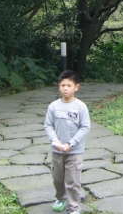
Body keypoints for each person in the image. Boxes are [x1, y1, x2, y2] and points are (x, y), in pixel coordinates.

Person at [44, 70, 91, 213]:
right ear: (58, 86)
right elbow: (48, 125)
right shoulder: (53, 106)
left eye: (69, 85)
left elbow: (85, 127)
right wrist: (55, 140)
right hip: (57, 150)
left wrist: (71, 144)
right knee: (57, 178)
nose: (65, 88)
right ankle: (60, 198)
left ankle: (74, 207)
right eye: (63, 85)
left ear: (76, 87)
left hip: (74, 151)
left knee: (72, 180)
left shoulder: (80, 107)